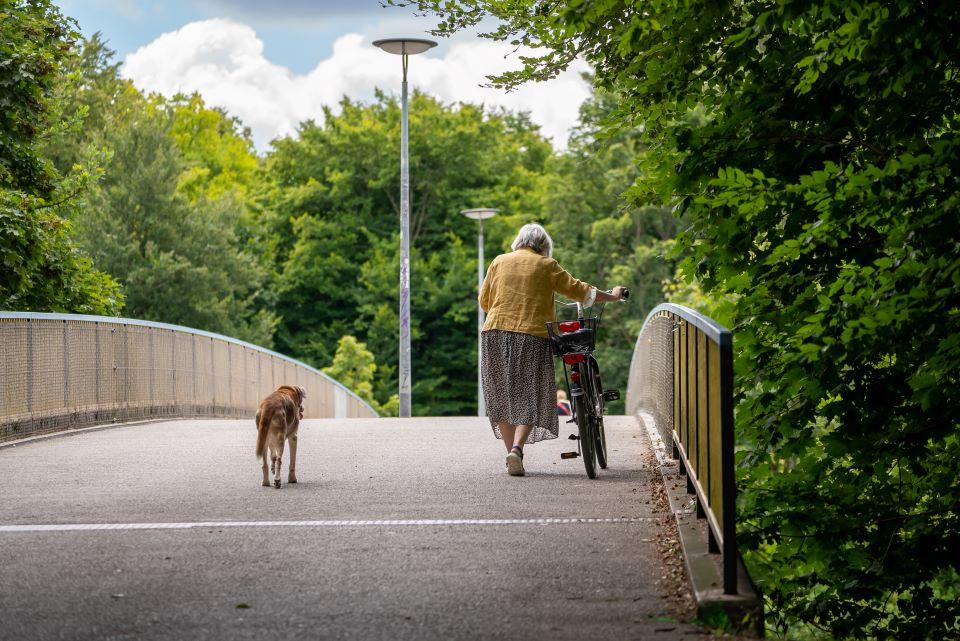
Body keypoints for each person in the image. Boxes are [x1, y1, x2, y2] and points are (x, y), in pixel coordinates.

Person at [479, 223, 626, 476]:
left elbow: (484, 301)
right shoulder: (547, 265)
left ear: (519, 241)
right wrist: (613, 296)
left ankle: (512, 455)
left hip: (493, 334)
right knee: (531, 392)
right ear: (543, 246)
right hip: (530, 335)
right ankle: (516, 449)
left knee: (500, 395)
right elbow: (582, 291)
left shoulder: (499, 261)